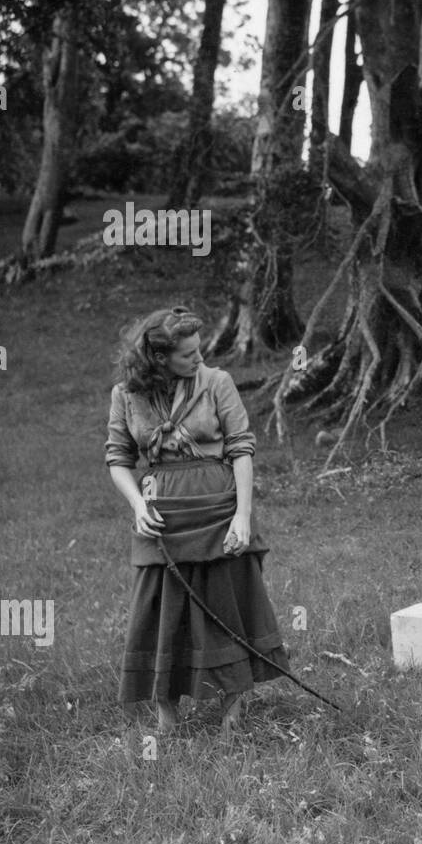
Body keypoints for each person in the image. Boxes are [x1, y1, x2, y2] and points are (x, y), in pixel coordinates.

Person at [105, 306, 289, 733]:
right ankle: (167, 715)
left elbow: (241, 448)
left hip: (218, 510)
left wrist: (242, 516)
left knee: (228, 603)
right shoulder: (125, 395)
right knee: (161, 610)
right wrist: (137, 505)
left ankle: (232, 710)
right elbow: (118, 459)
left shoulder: (217, 383)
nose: (198, 359)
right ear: (158, 359)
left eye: (198, 350)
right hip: (161, 518)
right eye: (187, 354)